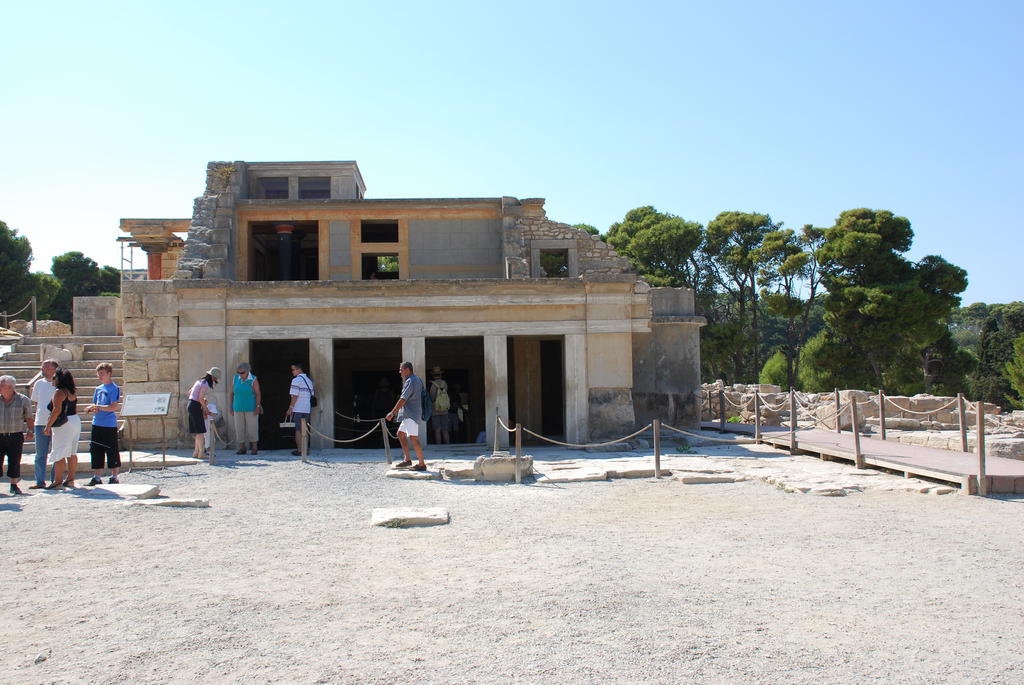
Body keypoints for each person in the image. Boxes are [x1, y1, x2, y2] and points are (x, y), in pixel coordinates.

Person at [85, 362, 122, 486]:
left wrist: (98, 407)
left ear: (109, 374)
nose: (100, 376)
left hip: (109, 424)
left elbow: (113, 406)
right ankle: (97, 477)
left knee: (112, 450)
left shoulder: (114, 388)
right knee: (96, 450)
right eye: (98, 373)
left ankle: (114, 476)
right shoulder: (98, 389)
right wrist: (91, 408)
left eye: (102, 373)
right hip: (97, 422)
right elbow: (96, 404)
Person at [44, 368, 81, 489]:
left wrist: (48, 425)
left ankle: (58, 481)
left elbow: (56, 410)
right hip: (74, 420)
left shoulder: (59, 392)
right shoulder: (71, 392)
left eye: (55, 377)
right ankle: (70, 479)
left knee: (59, 452)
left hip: (63, 423)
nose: (53, 379)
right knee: (72, 452)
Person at [386, 361, 426, 471]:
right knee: (400, 434)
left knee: (414, 438)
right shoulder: (417, 379)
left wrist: (392, 412)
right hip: (410, 414)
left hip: (411, 414)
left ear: (407, 370)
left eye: (401, 369)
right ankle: (407, 459)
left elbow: (403, 399)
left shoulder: (410, 381)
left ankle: (422, 464)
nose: (399, 372)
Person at [0, 374, 33, 494]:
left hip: (15, 435)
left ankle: (14, 485)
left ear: (10, 387)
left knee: (14, 460)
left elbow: (29, 417)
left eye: (1, 385)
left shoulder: (23, 400)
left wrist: (30, 430)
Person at [28, 359, 58, 489]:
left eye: (46, 367)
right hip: (40, 422)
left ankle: (55, 479)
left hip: (57, 423)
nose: (43, 369)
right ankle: (39, 481)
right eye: (43, 367)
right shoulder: (38, 383)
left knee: (56, 453)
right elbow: (36, 402)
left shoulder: (60, 384)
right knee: (40, 454)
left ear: (54, 369)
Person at [229, 362, 261, 455]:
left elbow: (258, 394)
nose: (240, 374)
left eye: (242, 372)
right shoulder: (235, 378)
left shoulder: (253, 379)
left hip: (251, 407)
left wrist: (257, 406)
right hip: (237, 407)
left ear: (247, 371)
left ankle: (254, 447)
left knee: (252, 427)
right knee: (239, 427)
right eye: (238, 372)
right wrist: (231, 407)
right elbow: (231, 394)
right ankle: (242, 447)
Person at [187, 367, 220, 460]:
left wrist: (200, 401)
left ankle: (196, 452)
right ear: (213, 377)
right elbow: (201, 398)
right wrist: (205, 408)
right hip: (196, 406)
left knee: (198, 431)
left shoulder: (199, 381)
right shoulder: (205, 384)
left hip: (191, 404)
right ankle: (201, 453)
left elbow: (190, 392)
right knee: (201, 431)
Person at [285, 363, 314, 456]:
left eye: (293, 369)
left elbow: (294, 396)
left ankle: (300, 450)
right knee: (305, 430)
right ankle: (305, 449)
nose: (292, 372)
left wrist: (290, 408)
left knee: (298, 430)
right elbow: (312, 395)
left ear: (299, 369)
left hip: (298, 409)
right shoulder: (309, 381)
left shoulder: (296, 380)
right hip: (307, 409)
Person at [428, 365, 454, 445]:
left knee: (437, 430)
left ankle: (439, 447)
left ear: (433, 375)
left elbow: (432, 397)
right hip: (444, 410)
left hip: (435, 410)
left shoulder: (432, 385)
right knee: (445, 430)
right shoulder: (444, 383)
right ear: (441, 374)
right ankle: (447, 446)